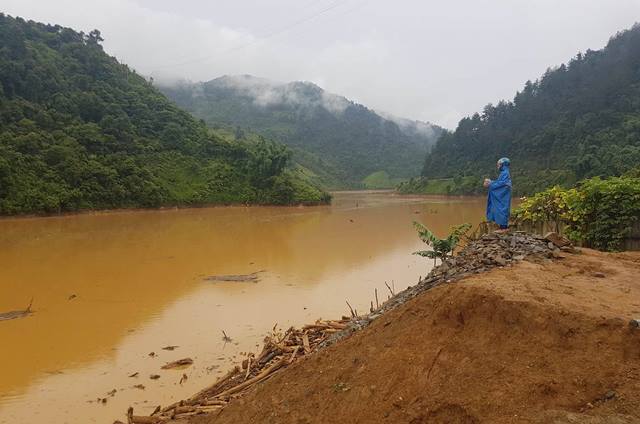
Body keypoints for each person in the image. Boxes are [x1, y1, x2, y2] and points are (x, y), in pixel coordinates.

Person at [483, 157, 512, 230]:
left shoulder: (505, 173)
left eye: (499, 165)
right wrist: (492, 182)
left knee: (502, 210)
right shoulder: (504, 173)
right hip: (503, 197)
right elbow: (500, 183)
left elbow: (502, 184)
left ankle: (503, 228)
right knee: (501, 210)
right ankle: (502, 227)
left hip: (503, 198)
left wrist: (490, 183)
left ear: (503, 165)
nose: (498, 166)